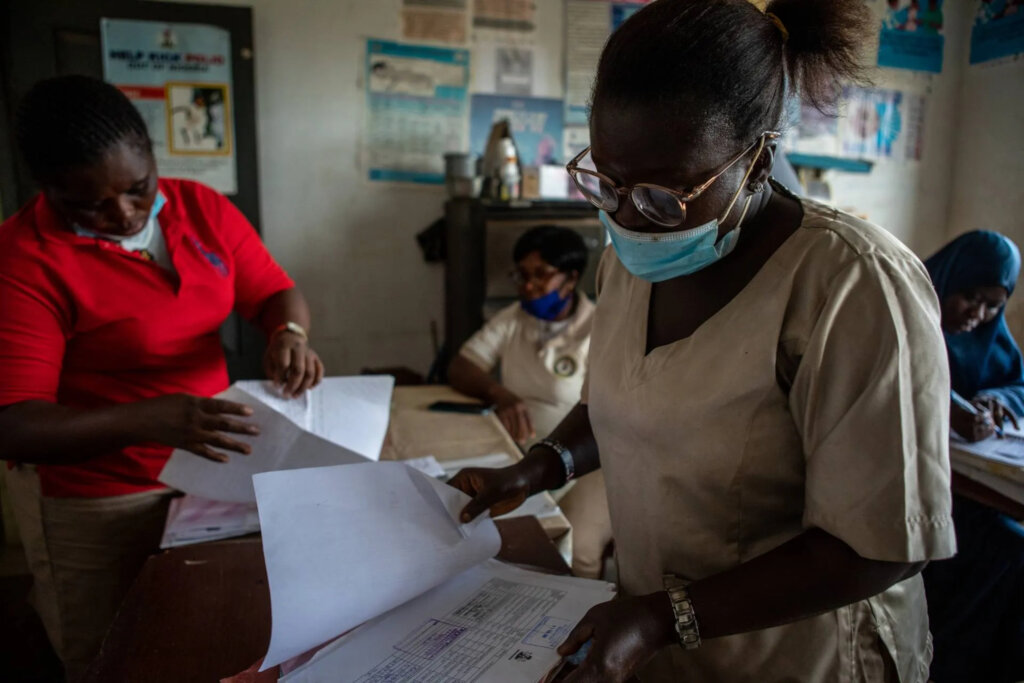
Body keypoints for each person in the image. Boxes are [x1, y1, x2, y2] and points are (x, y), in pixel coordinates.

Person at [450, 1, 955, 681]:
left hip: (801, 658)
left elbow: (883, 544)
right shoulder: (626, 264)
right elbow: (621, 406)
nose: (630, 218)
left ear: (758, 160)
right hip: (661, 645)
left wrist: (665, 616)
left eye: (666, 196)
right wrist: (536, 468)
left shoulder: (852, 286)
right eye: (607, 183)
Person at [0, 75, 323, 681]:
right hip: (99, 494)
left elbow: (274, 292)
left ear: (151, 156)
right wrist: (149, 419)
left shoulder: (201, 208)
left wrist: (288, 333)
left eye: (137, 188)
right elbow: (15, 425)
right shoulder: (23, 259)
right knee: (109, 653)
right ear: (47, 190)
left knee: (209, 628)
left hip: (212, 470)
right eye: (88, 204)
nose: (123, 214)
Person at [448, 225, 612, 579]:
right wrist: (501, 395)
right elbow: (461, 367)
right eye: (522, 274)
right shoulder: (515, 319)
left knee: (577, 547)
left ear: (571, 278)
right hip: (523, 453)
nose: (528, 285)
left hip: (587, 459)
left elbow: (607, 412)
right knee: (497, 533)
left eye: (541, 275)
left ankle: (587, 607)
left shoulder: (601, 327)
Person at [921, 230, 1024, 683]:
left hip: (979, 489)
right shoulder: (906, 319)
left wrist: (997, 400)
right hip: (925, 492)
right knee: (1008, 548)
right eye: (969, 297)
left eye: (993, 306)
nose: (977, 315)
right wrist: (947, 407)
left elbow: (1018, 384)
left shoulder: (989, 338)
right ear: (945, 279)